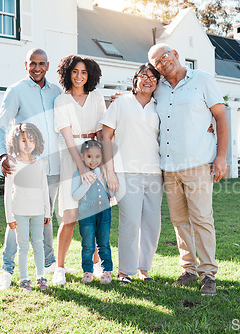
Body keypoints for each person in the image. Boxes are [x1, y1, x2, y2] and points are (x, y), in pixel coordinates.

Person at [148, 43, 229, 295]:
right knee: (179, 221)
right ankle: (189, 269)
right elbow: (138, 99)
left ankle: (208, 275)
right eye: (157, 62)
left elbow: (221, 117)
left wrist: (221, 157)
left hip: (198, 164)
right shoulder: (157, 89)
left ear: (176, 54)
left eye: (165, 56)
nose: (163, 63)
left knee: (202, 219)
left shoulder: (202, 80)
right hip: (169, 167)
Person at [0, 48, 69, 291]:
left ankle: (46, 264)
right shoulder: (16, 91)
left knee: (44, 217)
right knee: (17, 218)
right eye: (32, 63)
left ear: (48, 65)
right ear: (26, 65)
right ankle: (7, 269)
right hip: (24, 168)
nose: (37, 68)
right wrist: (4, 154)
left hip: (51, 167)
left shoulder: (57, 92)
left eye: (41, 63)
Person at [100, 63, 162, 284]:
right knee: (130, 223)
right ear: (135, 79)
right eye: (144, 76)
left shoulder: (160, 106)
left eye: (153, 77)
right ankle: (125, 272)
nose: (148, 80)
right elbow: (105, 137)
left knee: (152, 224)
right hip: (126, 172)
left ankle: (144, 270)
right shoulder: (120, 103)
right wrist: (110, 171)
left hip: (154, 172)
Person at [53, 55, 106, 286]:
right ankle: (60, 267)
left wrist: (98, 165)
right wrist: (81, 167)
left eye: (83, 72)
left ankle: (95, 264)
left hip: (94, 156)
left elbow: (102, 131)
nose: (79, 76)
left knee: (92, 214)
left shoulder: (96, 98)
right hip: (71, 157)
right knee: (71, 215)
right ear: (67, 73)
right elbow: (67, 137)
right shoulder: (61, 100)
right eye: (75, 71)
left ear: (90, 75)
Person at [3, 123, 50, 291]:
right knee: (22, 246)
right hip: (19, 211)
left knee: (38, 244)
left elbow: (44, 187)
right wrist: (10, 216)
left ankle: (41, 277)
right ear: (16, 142)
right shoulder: (12, 163)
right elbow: (8, 192)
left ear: (37, 141)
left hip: (38, 211)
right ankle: (24, 279)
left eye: (31, 140)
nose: (28, 144)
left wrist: (48, 211)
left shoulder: (40, 163)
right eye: (23, 140)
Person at [71, 140, 113, 284]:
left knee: (104, 244)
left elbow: (111, 193)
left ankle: (107, 271)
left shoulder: (104, 173)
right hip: (86, 215)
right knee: (88, 245)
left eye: (97, 157)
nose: (93, 160)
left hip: (104, 213)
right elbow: (75, 196)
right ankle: (88, 272)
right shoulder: (78, 175)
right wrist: (87, 182)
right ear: (82, 157)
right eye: (89, 157)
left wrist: (105, 179)